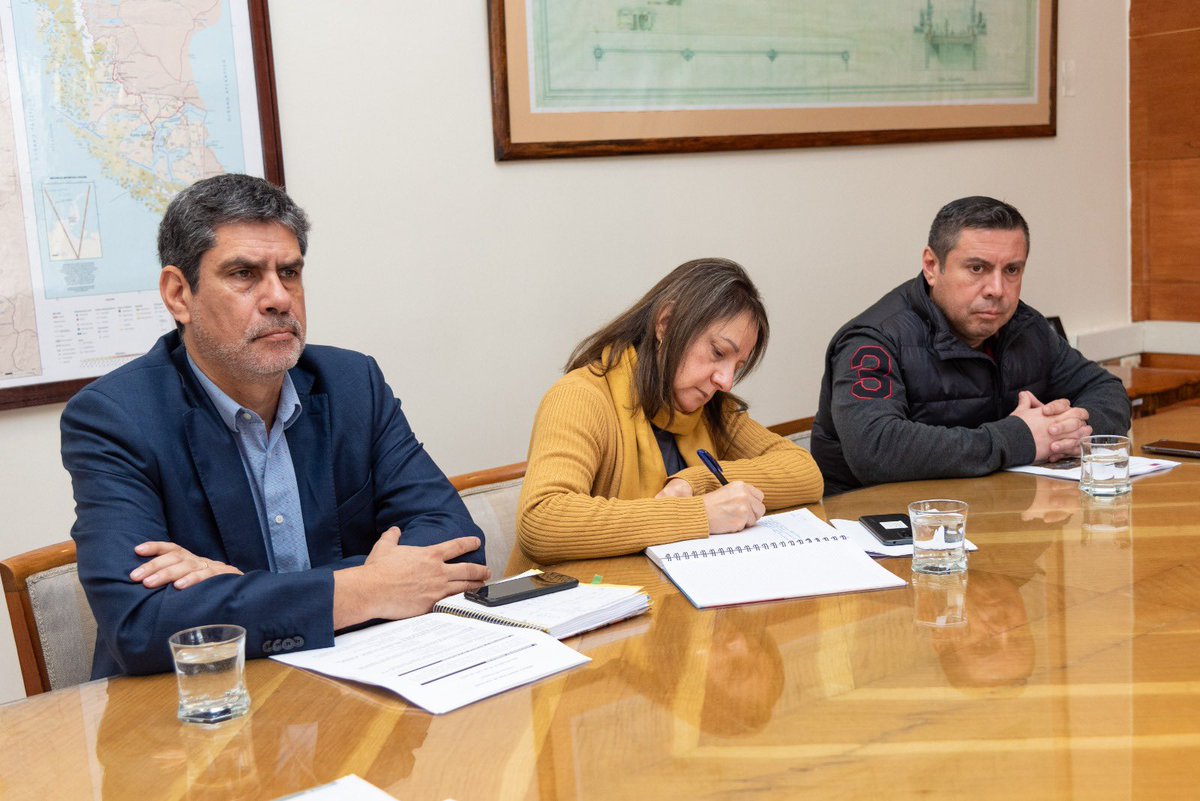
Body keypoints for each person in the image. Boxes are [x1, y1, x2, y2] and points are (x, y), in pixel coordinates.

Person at [61, 174, 489, 678]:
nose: (279, 298)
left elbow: (457, 542)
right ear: (179, 295)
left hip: (354, 678)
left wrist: (239, 587)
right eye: (244, 274)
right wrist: (367, 587)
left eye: (289, 272)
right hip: (199, 704)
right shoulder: (115, 417)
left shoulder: (353, 383)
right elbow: (141, 624)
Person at [811, 196, 1131, 495]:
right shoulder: (873, 340)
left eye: (1012, 270)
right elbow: (875, 449)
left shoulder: (1025, 326)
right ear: (932, 266)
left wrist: (1068, 432)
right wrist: (1020, 438)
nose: (997, 289)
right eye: (977, 268)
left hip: (997, 508)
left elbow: (1106, 390)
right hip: (882, 520)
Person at [517, 258, 824, 563]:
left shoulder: (713, 409)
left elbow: (806, 474)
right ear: (666, 323)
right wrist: (701, 513)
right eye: (718, 352)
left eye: (737, 366)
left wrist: (696, 482)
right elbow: (542, 520)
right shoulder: (581, 397)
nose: (726, 381)